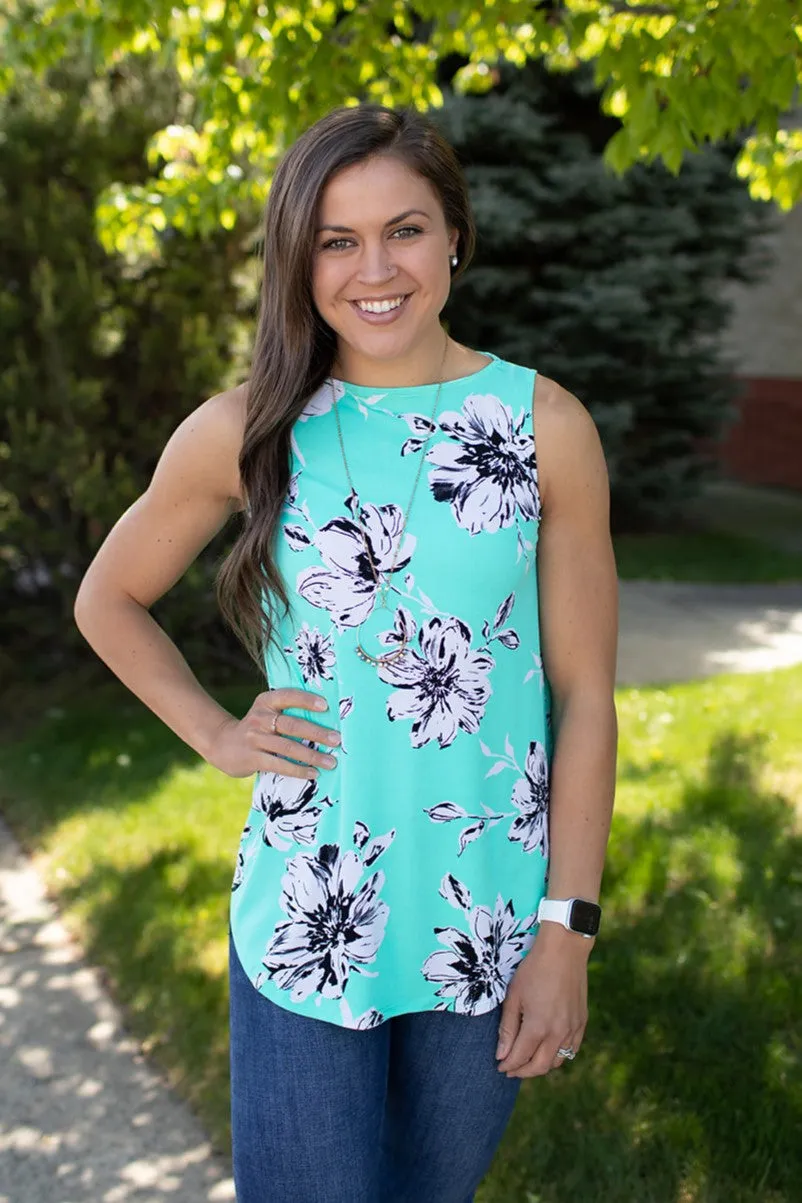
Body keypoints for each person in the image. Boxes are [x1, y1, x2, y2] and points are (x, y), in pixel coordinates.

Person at [74, 103, 618, 1203]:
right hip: (306, 919)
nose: (375, 269)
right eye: (337, 239)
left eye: (405, 231)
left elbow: (585, 696)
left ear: (454, 237)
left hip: (492, 924)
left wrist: (569, 934)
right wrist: (219, 735)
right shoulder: (248, 430)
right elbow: (110, 598)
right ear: (300, 259)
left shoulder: (542, 426)